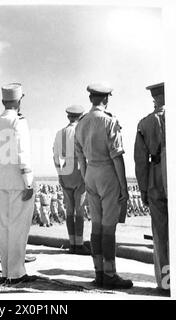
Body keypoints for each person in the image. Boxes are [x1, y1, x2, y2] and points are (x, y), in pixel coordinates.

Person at [75, 83, 133, 289]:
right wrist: (124, 188)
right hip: (107, 172)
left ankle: (98, 272)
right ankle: (109, 274)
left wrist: (86, 178)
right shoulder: (109, 121)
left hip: (90, 173)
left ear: (91, 99)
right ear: (106, 99)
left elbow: (80, 157)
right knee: (109, 227)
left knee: (96, 225)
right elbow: (117, 157)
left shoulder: (81, 122)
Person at [0, 83, 38, 284]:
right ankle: (16, 273)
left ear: (3, 101)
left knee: (5, 226)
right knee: (19, 227)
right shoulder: (19, 121)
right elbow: (22, 152)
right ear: (19, 101)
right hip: (17, 178)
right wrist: (28, 181)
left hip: (0, 178)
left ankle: (6, 270)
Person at [134, 82, 169, 292]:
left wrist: (144, 190)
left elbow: (140, 161)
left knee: (161, 236)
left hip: (156, 182)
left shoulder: (146, 123)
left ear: (155, 99)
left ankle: (166, 284)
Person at [53, 105, 90, 255]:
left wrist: (59, 174)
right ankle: (79, 244)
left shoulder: (59, 133)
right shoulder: (81, 130)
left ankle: (72, 243)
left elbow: (55, 156)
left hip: (65, 172)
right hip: (79, 171)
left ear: (69, 117)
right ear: (80, 117)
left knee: (69, 210)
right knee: (79, 210)